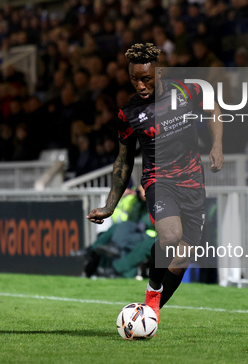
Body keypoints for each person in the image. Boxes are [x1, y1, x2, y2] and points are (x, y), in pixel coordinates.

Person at [87, 43, 224, 323]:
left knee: (182, 259)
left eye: (145, 78)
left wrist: (217, 144)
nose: (140, 84)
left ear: (159, 73)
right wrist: (110, 206)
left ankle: (150, 313)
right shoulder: (129, 114)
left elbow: (214, 107)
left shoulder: (186, 91)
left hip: (193, 182)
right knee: (170, 237)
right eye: (134, 79)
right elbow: (123, 161)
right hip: (158, 180)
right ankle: (153, 291)